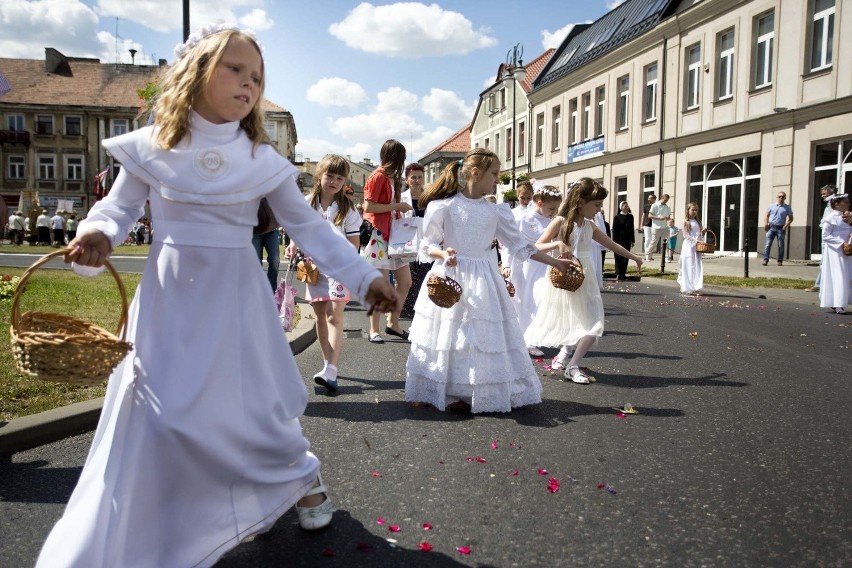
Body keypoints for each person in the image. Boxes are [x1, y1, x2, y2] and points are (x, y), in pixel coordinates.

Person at [36, 24, 400, 568]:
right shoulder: (153, 146)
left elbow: (311, 228)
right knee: (161, 410)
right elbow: (118, 208)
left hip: (234, 296)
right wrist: (96, 235)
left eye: (256, 76)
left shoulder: (261, 158)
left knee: (250, 405)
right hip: (169, 298)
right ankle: (158, 516)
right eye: (236, 69)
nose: (249, 83)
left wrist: (364, 276)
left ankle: (301, 477)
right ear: (196, 72)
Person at [405, 148, 573, 413]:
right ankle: (442, 387)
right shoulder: (444, 206)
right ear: (475, 173)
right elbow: (426, 245)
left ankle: (468, 392)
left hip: (484, 280)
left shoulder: (496, 212)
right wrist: (443, 252)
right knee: (448, 334)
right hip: (449, 275)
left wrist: (555, 262)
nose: (497, 180)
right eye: (494, 174)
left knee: (477, 336)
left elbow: (521, 246)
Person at [526, 178, 643, 384]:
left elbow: (613, 245)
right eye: (596, 205)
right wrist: (559, 243)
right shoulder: (560, 222)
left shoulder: (590, 226)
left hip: (585, 277)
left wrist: (634, 257)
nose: (598, 210)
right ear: (580, 202)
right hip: (565, 276)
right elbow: (536, 246)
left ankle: (571, 363)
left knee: (592, 322)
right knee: (579, 321)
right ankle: (568, 359)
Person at [291, 154, 362, 392]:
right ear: (320, 174)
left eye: (339, 178)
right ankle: (327, 366)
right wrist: (293, 243)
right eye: (330, 175)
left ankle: (331, 368)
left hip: (339, 268)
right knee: (320, 316)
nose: (333, 181)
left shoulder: (348, 209)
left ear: (344, 182)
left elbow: (354, 245)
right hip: (313, 268)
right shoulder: (305, 202)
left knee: (334, 315)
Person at [361, 139, 413, 343]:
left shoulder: (393, 178)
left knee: (406, 282)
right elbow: (369, 207)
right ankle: (374, 329)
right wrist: (396, 207)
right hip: (380, 235)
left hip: (395, 236)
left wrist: (398, 210)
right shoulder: (378, 176)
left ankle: (393, 323)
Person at [508, 185, 562, 356]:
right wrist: (508, 265)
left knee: (541, 301)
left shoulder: (551, 220)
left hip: (545, 264)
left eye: (556, 208)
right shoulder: (525, 219)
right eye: (551, 208)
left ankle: (531, 337)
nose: (554, 211)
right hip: (528, 265)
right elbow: (518, 246)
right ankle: (527, 340)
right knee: (529, 301)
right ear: (539, 203)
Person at [400, 162, 431, 319]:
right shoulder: (401, 198)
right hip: (407, 243)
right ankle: (406, 309)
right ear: (407, 180)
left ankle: (421, 310)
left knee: (424, 276)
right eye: (413, 177)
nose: (417, 180)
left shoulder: (430, 198)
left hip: (426, 242)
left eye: (420, 177)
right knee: (408, 278)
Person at [818, 193, 851, 314]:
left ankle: (841, 301)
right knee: (839, 275)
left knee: (846, 275)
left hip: (847, 251)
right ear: (837, 204)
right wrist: (841, 243)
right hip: (835, 251)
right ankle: (838, 303)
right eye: (846, 202)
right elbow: (825, 236)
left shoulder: (847, 217)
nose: (848, 204)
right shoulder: (830, 218)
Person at [806, 184, 839, 292]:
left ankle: (819, 285)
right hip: (828, 232)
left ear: (830, 193)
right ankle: (820, 284)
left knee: (825, 261)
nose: (822, 196)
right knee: (825, 261)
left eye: (824, 193)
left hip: (828, 234)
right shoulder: (830, 202)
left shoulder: (832, 201)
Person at [677, 203, 706, 295]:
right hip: (689, 247)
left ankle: (696, 286)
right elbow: (686, 235)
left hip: (696, 248)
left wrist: (702, 233)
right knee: (689, 266)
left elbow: (699, 234)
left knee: (697, 266)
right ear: (688, 210)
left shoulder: (698, 222)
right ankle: (688, 287)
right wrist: (696, 241)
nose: (694, 212)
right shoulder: (686, 222)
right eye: (693, 210)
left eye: (696, 210)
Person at [252, 198, 280, 291]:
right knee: (256, 264)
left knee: (275, 261)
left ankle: (271, 290)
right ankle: (258, 290)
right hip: (255, 231)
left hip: (272, 231)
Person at [763, 191, 793, 265]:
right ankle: (765, 259)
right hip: (771, 227)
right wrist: (766, 224)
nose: (781, 198)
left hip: (781, 228)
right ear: (777, 197)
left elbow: (791, 218)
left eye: (783, 196)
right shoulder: (771, 206)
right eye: (779, 196)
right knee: (767, 244)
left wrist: (785, 226)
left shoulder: (787, 207)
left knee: (781, 245)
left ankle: (780, 260)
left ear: (785, 198)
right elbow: (766, 215)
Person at [611, 201, 635, 281]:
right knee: (618, 256)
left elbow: (632, 228)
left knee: (626, 256)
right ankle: (618, 273)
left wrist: (633, 240)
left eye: (627, 206)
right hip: (619, 239)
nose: (627, 207)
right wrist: (613, 241)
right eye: (625, 206)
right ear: (621, 207)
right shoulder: (617, 217)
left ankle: (623, 273)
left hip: (627, 239)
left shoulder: (630, 217)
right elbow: (614, 230)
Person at [645, 193, 671, 261]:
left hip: (665, 227)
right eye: (665, 200)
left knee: (667, 242)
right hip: (656, 227)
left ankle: (666, 258)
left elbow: (668, 218)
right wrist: (659, 218)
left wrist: (667, 218)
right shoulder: (655, 205)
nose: (666, 202)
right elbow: (649, 216)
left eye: (667, 200)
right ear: (661, 198)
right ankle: (648, 256)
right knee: (654, 242)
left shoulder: (667, 206)